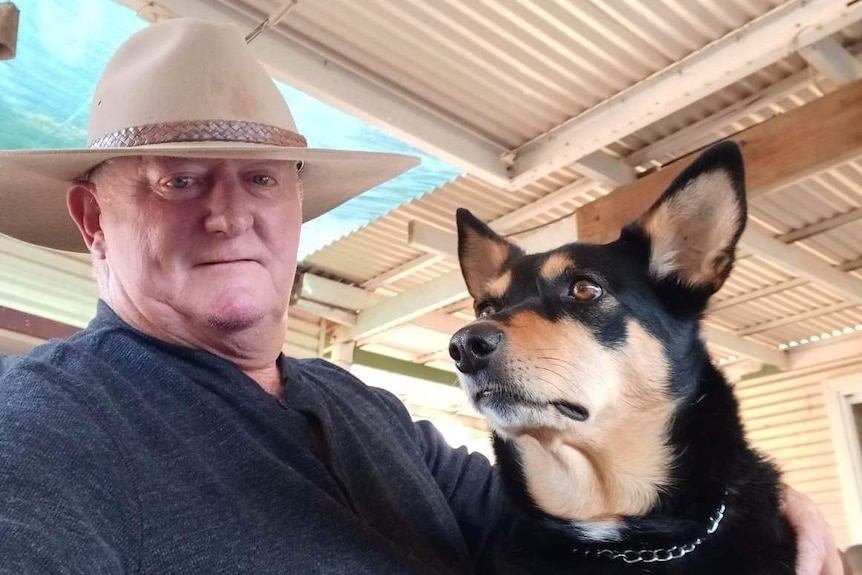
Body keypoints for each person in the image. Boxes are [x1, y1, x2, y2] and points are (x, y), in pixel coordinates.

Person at [0, 18, 843, 575]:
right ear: (92, 217)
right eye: (178, 180)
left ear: (297, 207)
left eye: (260, 178)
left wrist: (759, 504)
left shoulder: (362, 407)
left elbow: (551, 520)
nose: (229, 215)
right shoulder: (46, 429)